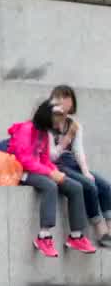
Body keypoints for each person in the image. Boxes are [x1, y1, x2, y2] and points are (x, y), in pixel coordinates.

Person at [8, 100, 96, 257]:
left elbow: (46, 160)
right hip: (20, 172)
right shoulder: (26, 130)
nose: (58, 127)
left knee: (75, 186)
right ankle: (44, 236)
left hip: (38, 170)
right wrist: (50, 173)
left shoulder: (43, 134)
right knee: (50, 186)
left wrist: (55, 171)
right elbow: (25, 161)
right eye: (56, 122)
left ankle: (76, 236)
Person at [50, 85, 111, 247]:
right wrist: (66, 139)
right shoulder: (48, 124)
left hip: (73, 163)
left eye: (68, 97)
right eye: (61, 97)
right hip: (57, 165)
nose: (65, 101)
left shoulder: (74, 124)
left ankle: (110, 228)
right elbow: (51, 156)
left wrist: (85, 171)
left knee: (105, 186)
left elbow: (78, 151)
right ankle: (99, 229)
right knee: (89, 186)